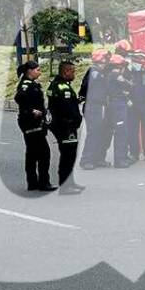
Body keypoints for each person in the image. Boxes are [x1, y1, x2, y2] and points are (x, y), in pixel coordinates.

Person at [14, 61, 56, 193]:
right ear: (30, 71)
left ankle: (33, 182)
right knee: (44, 153)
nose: (39, 72)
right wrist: (31, 110)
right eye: (37, 70)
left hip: (35, 122)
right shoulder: (26, 84)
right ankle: (43, 183)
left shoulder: (32, 84)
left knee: (32, 153)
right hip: (30, 122)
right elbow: (19, 98)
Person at [47, 60, 86, 194]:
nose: (74, 74)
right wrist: (76, 120)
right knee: (68, 156)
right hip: (66, 126)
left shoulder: (56, 85)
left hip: (62, 125)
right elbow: (67, 108)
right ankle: (65, 186)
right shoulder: (63, 88)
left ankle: (70, 182)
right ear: (66, 72)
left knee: (69, 155)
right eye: (73, 71)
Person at [79, 50, 112, 170]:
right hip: (93, 106)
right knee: (93, 133)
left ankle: (98, 158)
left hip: (102, 106)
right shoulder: (94, 72)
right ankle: (87, 159)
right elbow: (85, 89)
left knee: (104, 133)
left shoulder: (103, 72)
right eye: (105, 59)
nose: (107, 62)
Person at [107, 53, 134, 169]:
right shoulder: (115, 74)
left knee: (123, 132)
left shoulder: (112, 75)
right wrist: (129, 85)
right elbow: (129, 86)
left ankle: (122, 157)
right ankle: (120, 160)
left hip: (118, 104)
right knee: (121, 133)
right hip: (117, 105)